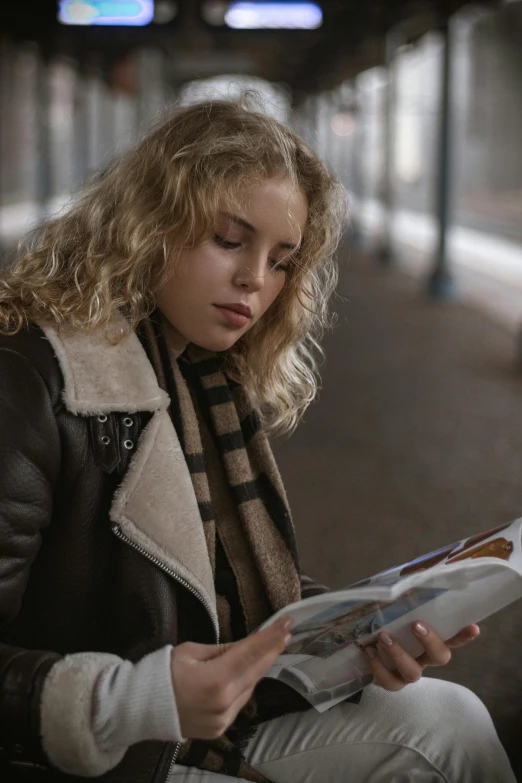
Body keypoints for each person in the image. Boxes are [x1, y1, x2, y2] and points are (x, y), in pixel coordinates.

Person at [0, 99, 515, 783]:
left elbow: (223, 583)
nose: (255, 280)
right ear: (148, 222)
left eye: (280, 260)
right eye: (229, 240)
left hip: (195, 726)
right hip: (85, 754)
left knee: (452, 723)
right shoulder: (32, 379)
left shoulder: (206, 378)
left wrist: (362, 639)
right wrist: (129, 699)